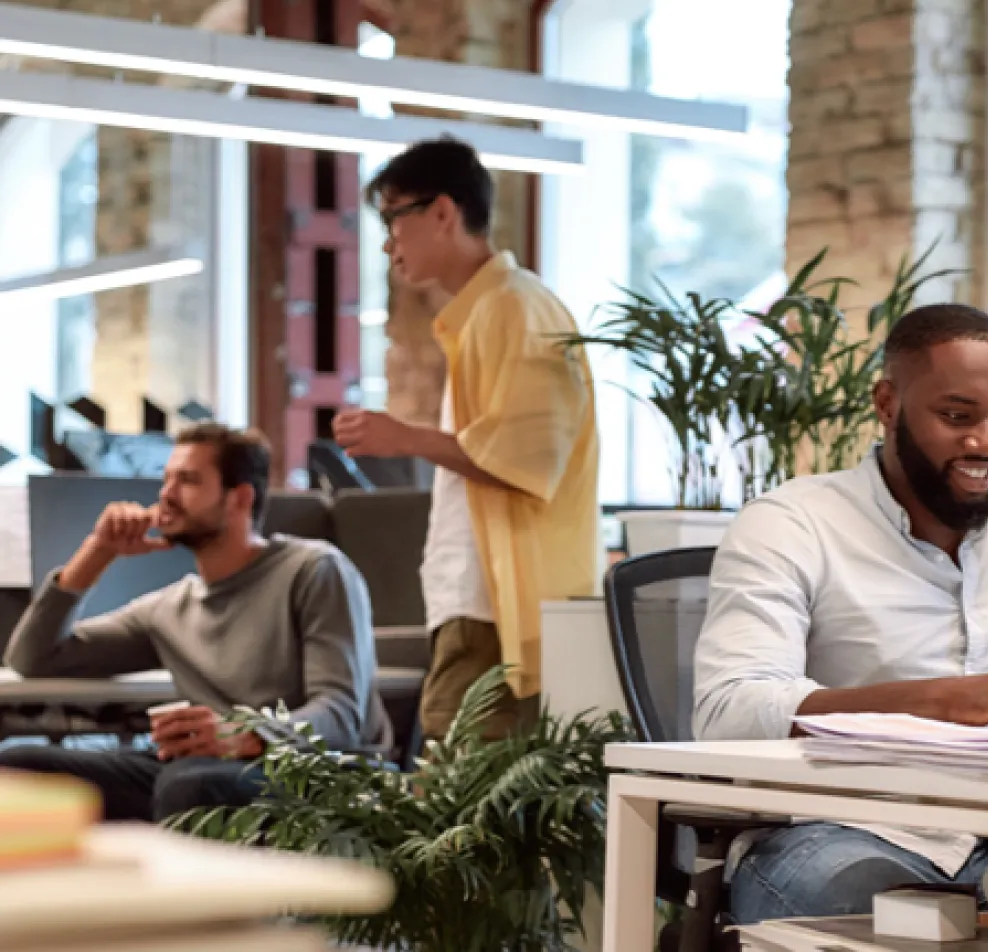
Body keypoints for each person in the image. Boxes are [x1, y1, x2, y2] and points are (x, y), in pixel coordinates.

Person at [693, 303, 988, 924]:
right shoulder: (792, 521)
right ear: (887, 404)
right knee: (850, 896)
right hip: (851, 828)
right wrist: (937, 702)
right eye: (957, 417)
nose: (986, 442)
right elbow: (728, 708)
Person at [332, 137, 599, 743]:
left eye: (392, 220)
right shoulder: (489, 312)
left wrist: (407, 439)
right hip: (482, 603)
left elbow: (529, 458)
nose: (387, 243)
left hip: (497, 608)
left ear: (443, 213)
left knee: (459, 804)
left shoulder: (514, 309)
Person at [0, 424, 389, 822]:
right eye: (166, 479)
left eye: (187, 481)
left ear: (239, 498)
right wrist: (97, 553)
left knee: (190, 784)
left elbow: (340, 716)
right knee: (18, 767)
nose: (165, 495)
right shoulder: (170, 607)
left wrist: (248, 735)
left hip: (310, 772)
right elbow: (33, 658)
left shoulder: (313, 570)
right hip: (203, 769)